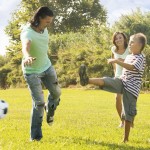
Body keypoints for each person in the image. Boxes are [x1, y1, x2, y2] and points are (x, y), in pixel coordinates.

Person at [79, 33, 146, 143]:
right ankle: (86, 80)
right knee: (107, 81)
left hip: (131, 89)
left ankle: (125, 139)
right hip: (122, 81)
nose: (129, 43)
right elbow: (126, 62)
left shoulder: (141, 57)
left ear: (139, 45)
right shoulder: (129, 56)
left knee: (128, 113)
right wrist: (119, 60)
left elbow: (133, 67)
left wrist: (116, 61)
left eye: (132, 42)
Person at [20, 6, 61, 141]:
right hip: (32, 72)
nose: (49, 24)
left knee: (56, 93)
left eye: (50, 21)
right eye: (47, 21)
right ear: (39, 18)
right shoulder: (27, 32)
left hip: (47, 67)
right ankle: (36, 137)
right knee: (38, 104)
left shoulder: (44, 29)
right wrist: (27, 57)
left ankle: (50, 112)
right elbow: (26, 45)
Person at [111, 32, 129, 128]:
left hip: (128, 77)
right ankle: (122, 121)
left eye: (120, 38)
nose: (118, 40)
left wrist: (121, 61)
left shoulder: (129, 49)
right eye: (116, 39)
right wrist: (115, 75)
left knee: (127, 101)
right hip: (118, 76)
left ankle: (129, 122)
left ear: (124, 39)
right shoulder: (113, 49)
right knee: (117, 98)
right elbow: (113, 63)